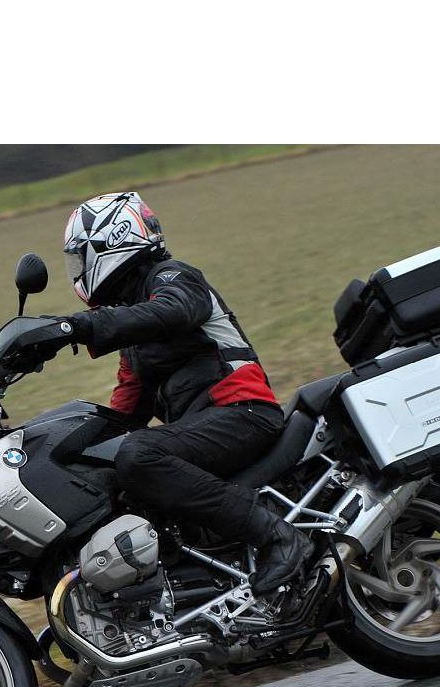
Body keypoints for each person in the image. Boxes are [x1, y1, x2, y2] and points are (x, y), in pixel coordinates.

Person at [55, 191, 311, 596]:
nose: (77, 270)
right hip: (207, 426)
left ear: (112, 242)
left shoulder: (174, 278)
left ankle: (279, 537)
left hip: (244, 412)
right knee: (115, 469)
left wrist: (79, 326)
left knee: (139, 455)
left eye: (79, 258)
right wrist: (53, 445)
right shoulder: (134, 337)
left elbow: (172, 311)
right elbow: (123, 415)